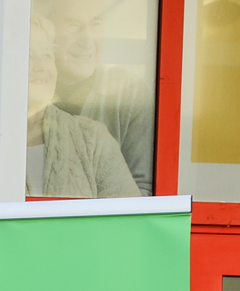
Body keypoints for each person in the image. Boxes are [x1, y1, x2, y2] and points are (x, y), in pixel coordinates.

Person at [39, 0, 155, 193]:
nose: (87, 40)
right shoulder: (27, 90)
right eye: (73, 25)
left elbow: (143, 189)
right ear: (48, 31)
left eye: (96, 24)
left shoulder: (128, 92)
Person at [20, 11, 138, 198]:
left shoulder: (92, 138)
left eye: (47, 55)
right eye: (28, 55)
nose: (41, 66)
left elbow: (127, 218)